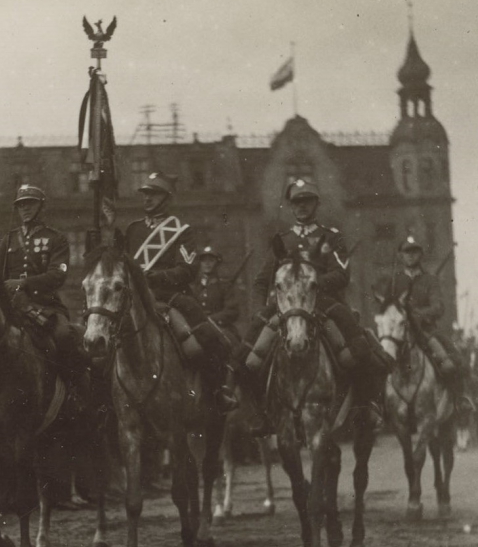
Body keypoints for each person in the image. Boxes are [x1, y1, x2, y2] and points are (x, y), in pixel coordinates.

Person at [238, 179, 388, 434]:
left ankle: (366, 405)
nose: (301, 207)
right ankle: (260, 413)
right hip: (287, 307)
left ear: (316, 204)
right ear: (291, 206)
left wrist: (312, 283)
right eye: (297, 202)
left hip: (324, 303)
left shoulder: (331, 237)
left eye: (306, 201)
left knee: (360, 348)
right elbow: (262, 280)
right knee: (245, 355)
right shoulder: (282, 240)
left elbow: (342, 275)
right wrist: (264, 307)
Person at [111, 172, 237, 412]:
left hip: (169, 297)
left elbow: (188, 269)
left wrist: (154, 277)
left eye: (153, 194)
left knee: (210, 338)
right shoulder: (133, 230)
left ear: (166, 198)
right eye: (145, 193)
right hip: (135, 298)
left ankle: (216, 392)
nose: (147, 199)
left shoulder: (181, 231)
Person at [0, 183, 89, 395]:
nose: (25, 209)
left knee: (64, 336)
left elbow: (58, 275)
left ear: (41, 207)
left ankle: (74, 390)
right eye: (21, 205)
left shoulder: (56, 239)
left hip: (44, 305)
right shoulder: (8, 240)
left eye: (30, 204)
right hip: (13, 307)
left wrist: (24, 283)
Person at [387, 235, 473, 416]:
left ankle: (460, 399)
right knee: (380, 360)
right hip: (399, 332)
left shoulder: (430, 281)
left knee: (451, 360)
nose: (410, 256)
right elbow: (386, 306)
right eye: (406, 252)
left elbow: (438, 307)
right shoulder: (394, 282)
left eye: (414, 252)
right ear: (401, 255)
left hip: (426, 331)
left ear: (420, 255)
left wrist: (417, 315)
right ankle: (376, 406)